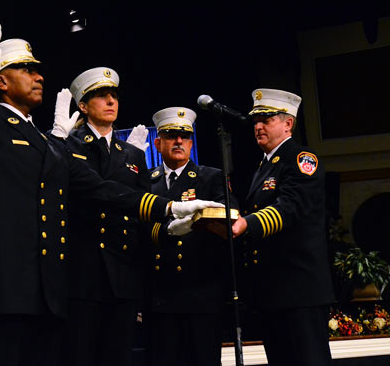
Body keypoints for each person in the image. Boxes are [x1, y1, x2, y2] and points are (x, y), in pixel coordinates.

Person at [0, 21, 206, 366]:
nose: (39, 76)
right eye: (26, 70)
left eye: (38, 70)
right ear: (1, 80)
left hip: (50, 297)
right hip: (4, 291)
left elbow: (102, 190)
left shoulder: (46, 143)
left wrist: (170, 207)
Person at [231, 88, 334, 366]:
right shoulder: (264, 166)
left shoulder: (302, 160)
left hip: (299, 289)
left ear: (288, 123)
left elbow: (290, 208)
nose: (258, 126)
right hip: (272, 290)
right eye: (256, 120)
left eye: (267, 119)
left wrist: (246, 224)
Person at [61, 67, 151, 366]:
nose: (111, 101)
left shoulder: (133, 154)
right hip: (82, 271)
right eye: (101, 96)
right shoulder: (68, 145)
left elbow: (141, 213)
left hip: (123, 271)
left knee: (118, 355)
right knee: (80, 354)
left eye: (113, 95)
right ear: (83, 107)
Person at [147, 107, 229, 366]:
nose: (179, 141)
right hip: (160, 296)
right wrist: (167, 229)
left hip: (200, 294)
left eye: (184, 136)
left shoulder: (211, 178)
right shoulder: (147, 182)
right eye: (171, 135)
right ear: (158, 143)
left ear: (191, 142)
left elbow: (226, 220)